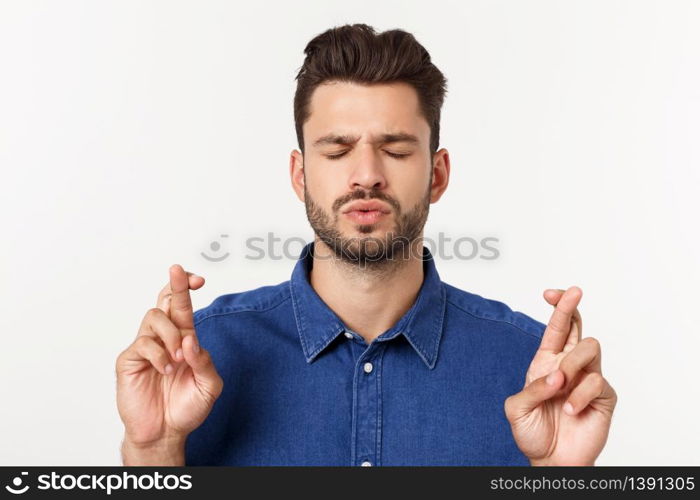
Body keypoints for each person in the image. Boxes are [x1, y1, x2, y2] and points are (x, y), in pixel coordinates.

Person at [116, 23, 617, 466]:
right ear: (300, 175)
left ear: (437, 175)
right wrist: (154, 450)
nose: (367, 176)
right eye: (337, 150)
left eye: (395, 150)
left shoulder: (531, 370)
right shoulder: (201, 356)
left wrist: (561, 475)